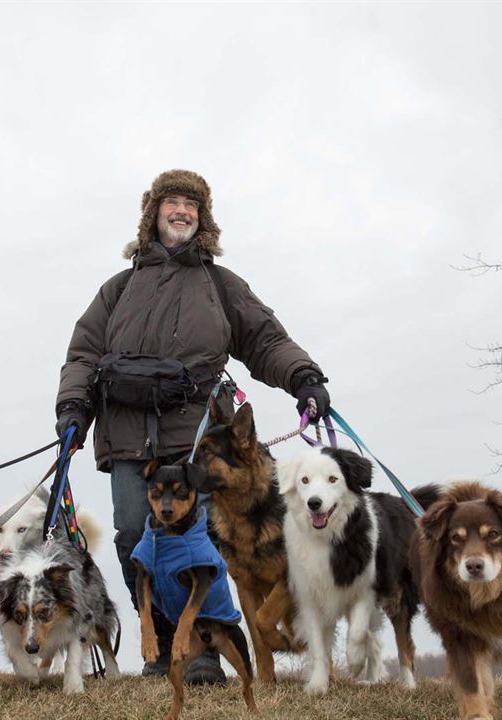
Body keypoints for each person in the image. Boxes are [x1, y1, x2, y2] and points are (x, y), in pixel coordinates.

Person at [54, 169, 330, 683]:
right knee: (135, 535)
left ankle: (203, 649)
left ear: (202, 218)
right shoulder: (117, 290)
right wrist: (73, 409)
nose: (181, 211)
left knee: (200, 541)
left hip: (200, 437)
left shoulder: (220, 286)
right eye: (171, 202)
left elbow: (266, 340)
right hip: (129, 435)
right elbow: (84, 356)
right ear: (152, 213)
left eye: (191, 205)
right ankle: (160, 648)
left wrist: (304, 378)